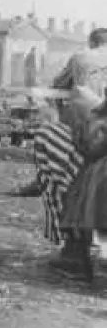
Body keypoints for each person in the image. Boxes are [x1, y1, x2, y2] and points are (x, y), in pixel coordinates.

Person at [29, 28, 107, 260]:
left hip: (93, 137)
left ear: (92, 42)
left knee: (58, 155)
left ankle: (74, 249)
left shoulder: (81, 57)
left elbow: (58, 86)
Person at [58, 100, 107, 280]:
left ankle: (86, 264)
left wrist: (79, 132)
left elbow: (91, 148)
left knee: (89, 212)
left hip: (100, 177)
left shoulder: (98, 120)